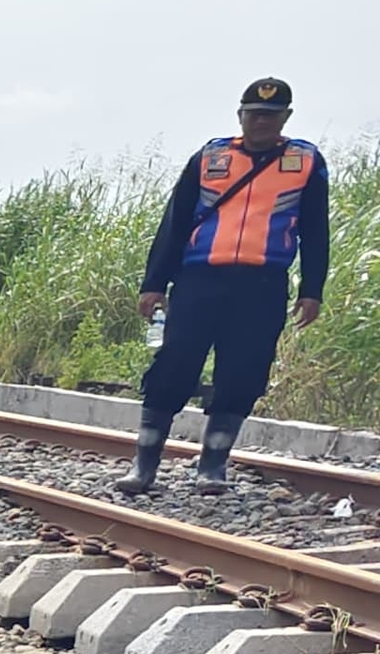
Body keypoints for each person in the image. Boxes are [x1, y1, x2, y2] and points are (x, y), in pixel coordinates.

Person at [131, 79, 330, 494]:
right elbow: (174, 223)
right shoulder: (211, 156)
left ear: (285, 118)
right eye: (254, 114)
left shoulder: (305, 162)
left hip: (262, 284)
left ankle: (212, 467)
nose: (261, 122)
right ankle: (144, 465)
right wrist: (154, 284)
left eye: (271, 116)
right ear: (240, 115)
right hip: (199, 279)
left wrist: (312, 289)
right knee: (174, 365)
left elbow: (316, 230)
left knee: (243, 372)